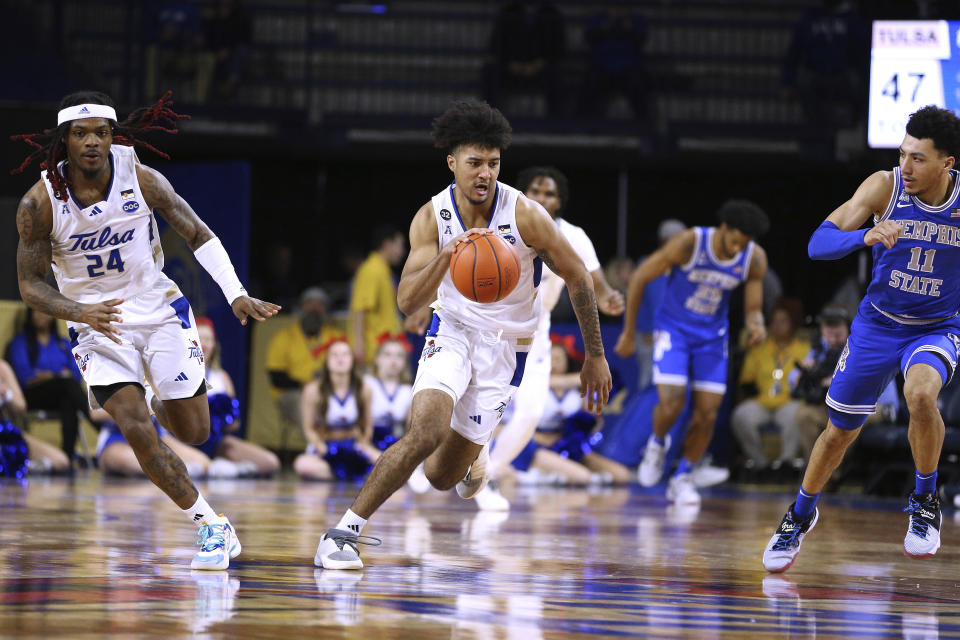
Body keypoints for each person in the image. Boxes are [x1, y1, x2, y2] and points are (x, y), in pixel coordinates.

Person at [314, 100, 612, 570]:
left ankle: (475, 457)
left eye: (493, 164)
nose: (485, 174)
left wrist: (595, 354)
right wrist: (446, 258)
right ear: (451, 162)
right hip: (450, 330)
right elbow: (408, 301)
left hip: (507, 348)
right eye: (474, 163)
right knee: (424, 432)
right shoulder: (432, 217)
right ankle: (344, 532)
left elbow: (578, 277)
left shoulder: (527, 215)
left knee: (438, 477)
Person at [12, 91, 279, 570]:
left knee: (195, 432)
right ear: (64, 140)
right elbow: (29, 285)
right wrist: (78, 311)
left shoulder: (140, 177)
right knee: (135, 427)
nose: (92, 141)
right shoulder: (40, 203)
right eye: (80, 133)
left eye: (101, 132)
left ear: (114, 136)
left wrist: (236, 293)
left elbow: (196, 232)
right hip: (96, 325)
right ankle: (211, 525)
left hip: (158, 310)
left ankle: (160, 398)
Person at [763, 105, 960, 571]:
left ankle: (925, 499)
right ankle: (799, 514)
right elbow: (817, 243)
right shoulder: (884, 186)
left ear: (948, 163)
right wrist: (864, 238)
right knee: (838, 434)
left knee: (920, 395)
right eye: (903, 154)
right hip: (877, 325)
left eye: (919, 159)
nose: (906, 166)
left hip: (937, 326)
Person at [476, 165, 624, 510]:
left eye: (551, 193)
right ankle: (442, 463)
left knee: (530, 413)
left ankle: (487, 475)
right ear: (522, 193)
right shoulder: (497, 223)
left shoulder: (573, 236)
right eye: (536, 191)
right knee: (484, 407)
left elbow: (597, 287)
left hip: (536, 330)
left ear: (560, 201)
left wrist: (610, 298)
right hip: (494, 324)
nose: (542, 198)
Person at [614, 200, 770, 505]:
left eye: (746, 244)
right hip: (674, 331)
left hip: (712, 338)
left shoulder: (754, 259)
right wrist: (630, 332)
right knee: (672, 404)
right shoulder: (690, 243)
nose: (739, 249)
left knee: (708, 414)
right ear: (723, 228)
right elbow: (640, 278)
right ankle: (657, 445)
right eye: (736, 241)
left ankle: (683, 477)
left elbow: (753, 309)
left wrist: (757, 325)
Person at [151, 316, 280, 477]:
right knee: (201, 464)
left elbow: (234, 424)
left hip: (214, 442)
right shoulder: (171, 373)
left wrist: (218, 419)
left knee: (270, 462)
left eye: (208, 339)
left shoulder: (222, 377)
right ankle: (214, 468)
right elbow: (158, 417)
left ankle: (222, 468)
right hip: (176, 439)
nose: (203, 344)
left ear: (214, 345)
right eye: (199, 338)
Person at [510, 340, 631, 485]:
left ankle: (548, 476)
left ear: (567, 361)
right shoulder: (532, 383)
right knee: (583, 478)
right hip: (537, 445)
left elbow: (594, 422)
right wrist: (591, 374)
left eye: (558, 359)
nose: (554, 364)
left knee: (622, 475)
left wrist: (587, 425)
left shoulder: (577, 391)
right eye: (550, 359)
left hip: (568, 445)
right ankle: (534, 474)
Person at [731, 299, 810, 472]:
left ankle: (785, 464)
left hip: (790, 401)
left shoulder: (804, 349)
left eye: (783, 321)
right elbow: (746, 382)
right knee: (741, 415)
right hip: (763, 401)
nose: (777, 326)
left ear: (793, 323)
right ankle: (760, 465)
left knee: (797, 414)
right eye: (774, 321)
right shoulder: (760, 348)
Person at [7, 307, 95, 461]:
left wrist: (48, 376)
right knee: (66, 385)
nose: (42, 315)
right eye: (37, 311)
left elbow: (76, 375)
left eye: (46, 312)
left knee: (68, 400)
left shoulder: (63, 344)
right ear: (30, 315)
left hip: (60, 394)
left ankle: (67, 457)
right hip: (31, 396)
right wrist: (57, 375)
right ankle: (94, 419)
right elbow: (24, 378)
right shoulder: (20, 343)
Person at [293, 338, 379, 481]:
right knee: (302, 465)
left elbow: (368, 426)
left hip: (353, 444)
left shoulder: (364, 388)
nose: (340, 359)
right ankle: (349, 473)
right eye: (334, 355)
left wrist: (362, 444)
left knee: (386, 463)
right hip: (325, 446)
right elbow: (308, 428)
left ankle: (344, 472)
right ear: (326, 361)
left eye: (345, 354)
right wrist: (321, 448)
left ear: (352, 360)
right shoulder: (313, 390)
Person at [266, 286, 344, 433]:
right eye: (310, 303)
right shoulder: (284, 337)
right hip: (293, 392)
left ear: (326, 309)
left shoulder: (337, 336)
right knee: (305, 404)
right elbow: (276, 377)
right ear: (301, 307)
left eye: (320, 304)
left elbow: (348, 366)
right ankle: (317, 446)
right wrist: (306, 386)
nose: (314, 308)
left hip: (330, 390)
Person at [0, 357, 70, 474]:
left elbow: (21, 408)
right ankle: (19, 466)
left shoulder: (2, 368)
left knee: (60, 461)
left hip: (6, 432)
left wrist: (6, 394)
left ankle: (24, 467)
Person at [348, 225, 406, 366]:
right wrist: (359, 346)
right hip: (374, 352)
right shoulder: (371, 270)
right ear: (387, 244)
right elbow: (360, 309)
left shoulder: (383, 270)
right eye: (399, 245)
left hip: (387, 350)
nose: (402, 252)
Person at [366, 333, 413, 451]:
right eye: (387, 354)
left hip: (396, 445)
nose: (394, 360)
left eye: (399, 356)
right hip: (367, 444)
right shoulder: (366, 384)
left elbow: (411, 429)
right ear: (377, 358)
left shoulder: (408, 390)